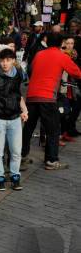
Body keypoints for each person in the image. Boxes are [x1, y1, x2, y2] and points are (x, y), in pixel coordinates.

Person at [22, 33, 81, 171]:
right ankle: (51, 160)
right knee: (53, 130)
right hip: (48, 97)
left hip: (31, 96)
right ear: (62, 43)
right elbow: (77, 73)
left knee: (28, 129)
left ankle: (21, 156)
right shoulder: (61, 56)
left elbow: (31, 70)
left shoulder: (39, 54)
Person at [0, 48, 28, 191]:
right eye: (2, 60)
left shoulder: (18, 75)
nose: (5, 63)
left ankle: (15, 177)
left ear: (13, 61)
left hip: (15, 118)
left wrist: (24, 110)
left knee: (16, 150)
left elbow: (18, 95)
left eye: (8, 60)